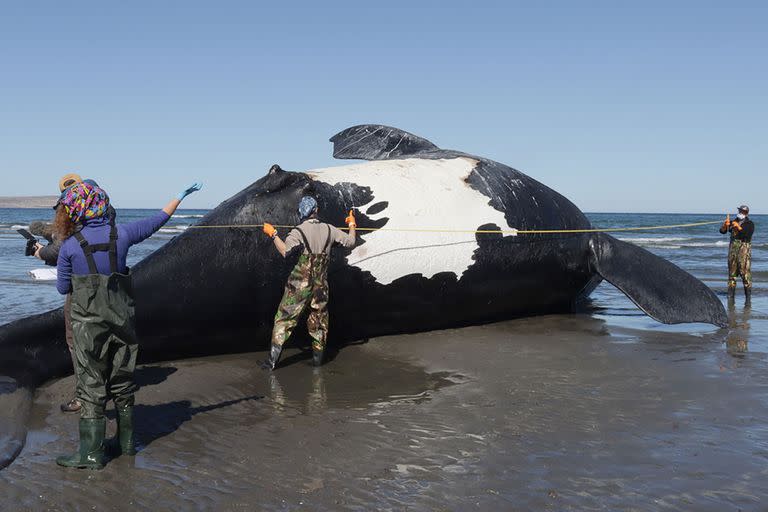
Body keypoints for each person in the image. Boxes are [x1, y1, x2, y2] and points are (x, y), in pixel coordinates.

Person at [54, 180, 202, 469]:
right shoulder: (122, 233)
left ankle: (92, 454)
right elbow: (158, 220)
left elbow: (62, 289)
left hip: (88, 327)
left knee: (90, 383)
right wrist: (179, 196)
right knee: (122, 379)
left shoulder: (70, 246)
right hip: (122, 321)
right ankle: (126, 443)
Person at [260, 196, 357, 370]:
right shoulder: (330, 229)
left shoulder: (298, 232)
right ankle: (317, 362)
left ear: (301, 213)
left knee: (283, 319)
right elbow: (351, 242)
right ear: (316, 210)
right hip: (321, 286)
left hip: (298, 286)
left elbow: (285, 252)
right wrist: (352, 224)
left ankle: (271, 363)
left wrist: (272, 234)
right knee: (319, 321)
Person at [720, 205, 755, 304]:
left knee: (745, 275)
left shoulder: (750, 224)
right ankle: (731, 296)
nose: (741, 213)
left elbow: (746, 234)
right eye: (740, 210)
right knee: (732, 275)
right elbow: (722, 231)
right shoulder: (733, 221)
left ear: (746, 213)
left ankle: (748, 298)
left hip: (744, 253)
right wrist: (725, 225)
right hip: (732, 252)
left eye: (743, 211)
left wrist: (738, 227)